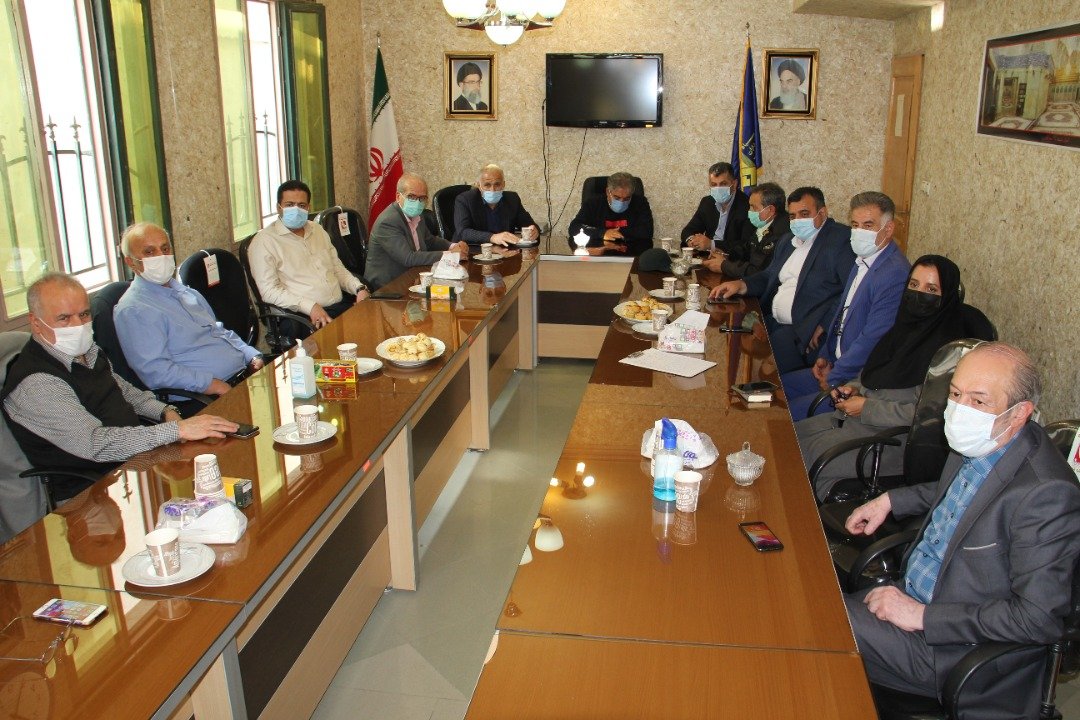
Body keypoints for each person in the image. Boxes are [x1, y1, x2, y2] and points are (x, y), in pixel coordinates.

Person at [843, 342, 1080, 718]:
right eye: (955, 394)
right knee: (814, 602)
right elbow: (958, 490)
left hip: (949, 651)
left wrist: (921, 616)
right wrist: (890, 500)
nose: (959, 409)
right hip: (911, 596)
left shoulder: (1046, 494)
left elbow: (1038, 618)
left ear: (1019, 413)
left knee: (814, 622)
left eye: (978, 400)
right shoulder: (983, 440)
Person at [1, 274, 238, 496]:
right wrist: (177, 431)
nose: (78, 325)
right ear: (36, 323)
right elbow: (96, 444)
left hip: (134, 462)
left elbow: (127, 393)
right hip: (91, 492)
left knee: (221, 471)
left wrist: (166, 411)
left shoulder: (88, 352)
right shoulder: (38, 383)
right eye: (64, 318)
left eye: (84, 315)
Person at [794, 256, 996, 500]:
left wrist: (867, 408)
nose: (919, 294)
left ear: (947, 297)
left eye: (931, 290)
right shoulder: (903, 328)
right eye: (914, 285)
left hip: (893, 441)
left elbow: (929, 417)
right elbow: (871, 373)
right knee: (787, 438)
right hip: (852, 422)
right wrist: (853, 388)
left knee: (804, 460)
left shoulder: (950, 355)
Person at [781, 192, 910, 419]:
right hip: (836, 365)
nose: (859, 232)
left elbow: (872, 338)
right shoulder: (862, 260)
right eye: (855, 225)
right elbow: (842, 313)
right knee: (776, 388)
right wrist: (825, 357)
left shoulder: (894, 274)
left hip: (857, 380)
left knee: (786, 415)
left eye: (868, 225)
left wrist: (834, 376)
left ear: (889, 229)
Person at [114, 223, 263, 416]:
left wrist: (251, 354)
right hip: (204, 398)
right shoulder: (134, 309)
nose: (161, 256)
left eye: (165, 248)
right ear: (131, 262)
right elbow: (156, 371)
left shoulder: (187, 292)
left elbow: (218, 331)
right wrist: (212, 385)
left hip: (243, 376)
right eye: (149, 252)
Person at [709, 187, 854, 374]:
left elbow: (851, 289)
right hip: (772, 320)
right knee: (728, 336)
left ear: (822, 212)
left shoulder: (840, 240)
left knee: (765, 374)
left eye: (804, 214)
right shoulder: (788, 240)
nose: (797, 221)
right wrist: (741, 284)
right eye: (793, 216)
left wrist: (826, 323)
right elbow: (769, 275)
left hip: (802, 330)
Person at [248, 180, 370, 335]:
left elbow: (337, 268)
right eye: (289, 204)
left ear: (308, 207)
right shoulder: (264, 241)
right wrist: (310, 306)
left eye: (301, 205)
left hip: (338, 306)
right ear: (279, 207)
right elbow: (269, 291)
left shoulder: (317, 230)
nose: (296, 209)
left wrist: (359, 288)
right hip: (301, 317)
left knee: (373, 326)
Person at [366, 173, 469, 290]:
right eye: (411, 196)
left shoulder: (417, 215)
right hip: (387, 288)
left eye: (422, 198)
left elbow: (429, 240)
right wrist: (451, 255)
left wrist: (454, 246)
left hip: (413, 277)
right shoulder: (388, 221)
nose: (417, 202)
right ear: (398, 197)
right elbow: (408, 258)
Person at [702, 182, 788, 278]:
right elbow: (745, 251)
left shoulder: (781, 233)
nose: (749, 211)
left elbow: (760, 272)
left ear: (770, 210)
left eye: (753, 207)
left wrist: (724, 266)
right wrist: (725, 255)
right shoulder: (764, 224)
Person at [568, 172, 654, 256]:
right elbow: (574, 227)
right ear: (607, 192)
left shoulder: (640, 202)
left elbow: (647, 231)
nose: (621, 202)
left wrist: (614, 234)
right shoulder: (593, 203)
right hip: (599, 255)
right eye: (617, 197)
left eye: (627, 198)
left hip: (631, 255)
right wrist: (602, 233)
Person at [453, 164, 539, 247]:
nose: (492, 189)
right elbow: (463, 232)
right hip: (471, 250)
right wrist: (493, 237)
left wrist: (534, 231)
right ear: (479, 185)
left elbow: (530, 225)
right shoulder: (465, 200)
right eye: (487, 185)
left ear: (503, 184)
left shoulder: (512, 199)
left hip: (504, 250)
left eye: (497, 184)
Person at [680, 162, 748, 255]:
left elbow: (745, 245)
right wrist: (692, 240)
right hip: (706, 256)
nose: (718, 188)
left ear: (734, 184)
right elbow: (688, 230)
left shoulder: (747, 205)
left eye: (723, 184)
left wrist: (712, 244)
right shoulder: (707, 202)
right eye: (714, 184)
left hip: (731, 258)